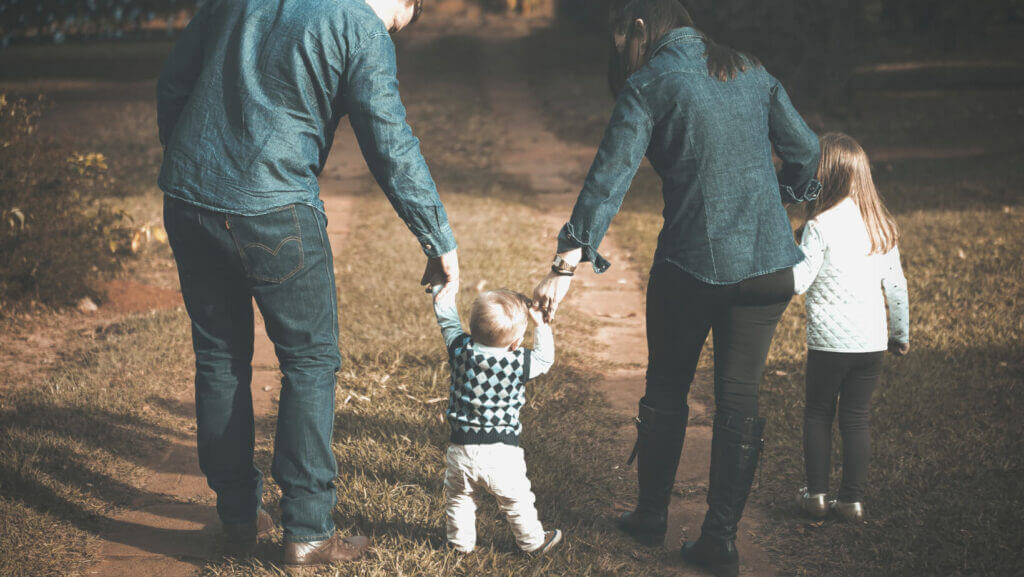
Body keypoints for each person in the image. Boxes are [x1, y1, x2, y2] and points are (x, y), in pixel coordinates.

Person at [156, 0, 460, 568]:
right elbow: (389, 143)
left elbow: (174, 81)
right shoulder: (359, 25)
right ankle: (310, 531)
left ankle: (239, 517)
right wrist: (437, 237)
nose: (393, 30)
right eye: (401, 19)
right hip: (274, 209)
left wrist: (188, 163)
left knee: (220, 357)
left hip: (188, 197)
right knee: (310, 361)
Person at [531, 1, 821, 575]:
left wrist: (563, 268)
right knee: (739, 398)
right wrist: (782, 198)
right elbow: (807, 151)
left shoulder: (650, 82)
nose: (623, 56)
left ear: (640, 28)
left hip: (691, 267)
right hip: (768, 270)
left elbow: (607, 181)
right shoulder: (751, 70)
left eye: (623, 43)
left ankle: (650, 516)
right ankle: (721, 541)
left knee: (667, 386)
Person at [793, 133, 910, 523]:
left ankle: (817, 497)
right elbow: (896, 287)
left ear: (825, 176)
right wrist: (900, 334)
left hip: (828, 345)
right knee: (856, 418)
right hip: (872, 343)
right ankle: (852, 502)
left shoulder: (820, 226)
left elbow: (799, 282)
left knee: (818, 414)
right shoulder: (881, 226)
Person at [431, 286, 563, 555]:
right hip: (502, 453)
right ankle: (533, 542)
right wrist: (540, 325)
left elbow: (447, 320)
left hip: (461, 450)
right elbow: (545, 359)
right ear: (515, 343)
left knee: (459, 498)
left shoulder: (460, 350)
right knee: (516, 500)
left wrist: (441, 289)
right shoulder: (518, 362)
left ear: (472, 328)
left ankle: (460, 544)